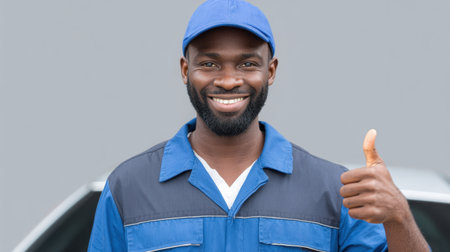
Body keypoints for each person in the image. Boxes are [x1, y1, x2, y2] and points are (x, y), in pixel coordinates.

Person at [88, 0, 429, 251]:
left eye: (248, 63)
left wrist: (400, 217)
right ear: (184, 70)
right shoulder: (128, 189)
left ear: (271, 71)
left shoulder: (332, 192)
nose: (228, 80)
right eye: (209, 63)